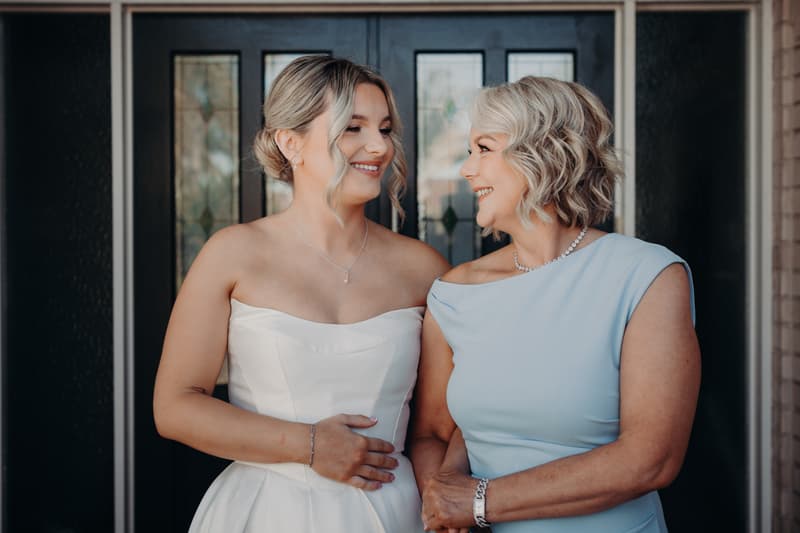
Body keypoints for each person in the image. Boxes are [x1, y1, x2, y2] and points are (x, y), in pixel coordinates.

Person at [153, 55, 448, 533]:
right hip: (265, 512)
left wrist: (442, 502)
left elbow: (436, 428)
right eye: (353, 127)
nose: (378, 146)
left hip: (394, 512)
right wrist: (308, 445)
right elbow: (175, 407)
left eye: (385, 129)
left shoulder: (424, 269)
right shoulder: (232, 254)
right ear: (291, 143)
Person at [410, 76, 701, 533]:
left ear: (543, 151)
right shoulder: (453, 294)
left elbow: (652, 459)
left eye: (483, 148)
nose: (467, 170)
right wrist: (441, 503)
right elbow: (431, 435)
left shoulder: (647, 276)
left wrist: (481, 502)